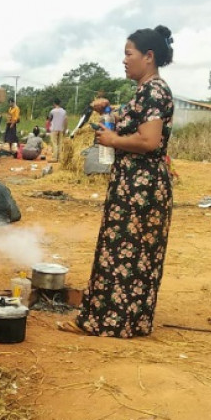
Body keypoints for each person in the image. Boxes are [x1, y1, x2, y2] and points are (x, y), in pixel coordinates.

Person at [58, 25, 175, 338]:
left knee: (125, 251)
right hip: (133, 184)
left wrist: (111, 139)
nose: (124, 60)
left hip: (141, 186)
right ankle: (120, 321)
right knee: (125, 251)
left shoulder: (154, 91)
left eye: (129, 54)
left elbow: (149, 141)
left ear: (148, 57)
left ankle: (109, 323)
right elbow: (131, 130)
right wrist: (108, 112)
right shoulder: (146, 91)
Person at [48, 98, 67, 162]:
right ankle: (59, 158)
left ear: (54, 103)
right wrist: (65, 129)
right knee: (60, 143)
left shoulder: (52, 111)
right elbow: (65, 121)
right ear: (60, 103)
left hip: (54, 129)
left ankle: (55, 158)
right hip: (61, 129)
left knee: (54, 143)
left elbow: (50, 119)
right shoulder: (64, 111)